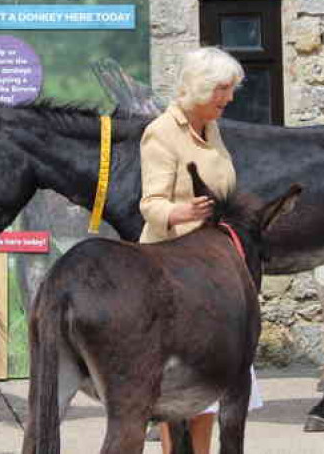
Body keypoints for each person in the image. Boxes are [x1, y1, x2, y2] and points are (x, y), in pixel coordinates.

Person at [139, 45, 259, 454]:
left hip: (214, 274)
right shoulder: (160, 132)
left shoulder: (212, 127)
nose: (229, 98)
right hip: (173, 273)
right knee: (179, 387)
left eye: (232, 89)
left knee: (212, 384)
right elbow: (149, 204)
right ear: (199, 88)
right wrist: (180, 211)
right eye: (223, 90)